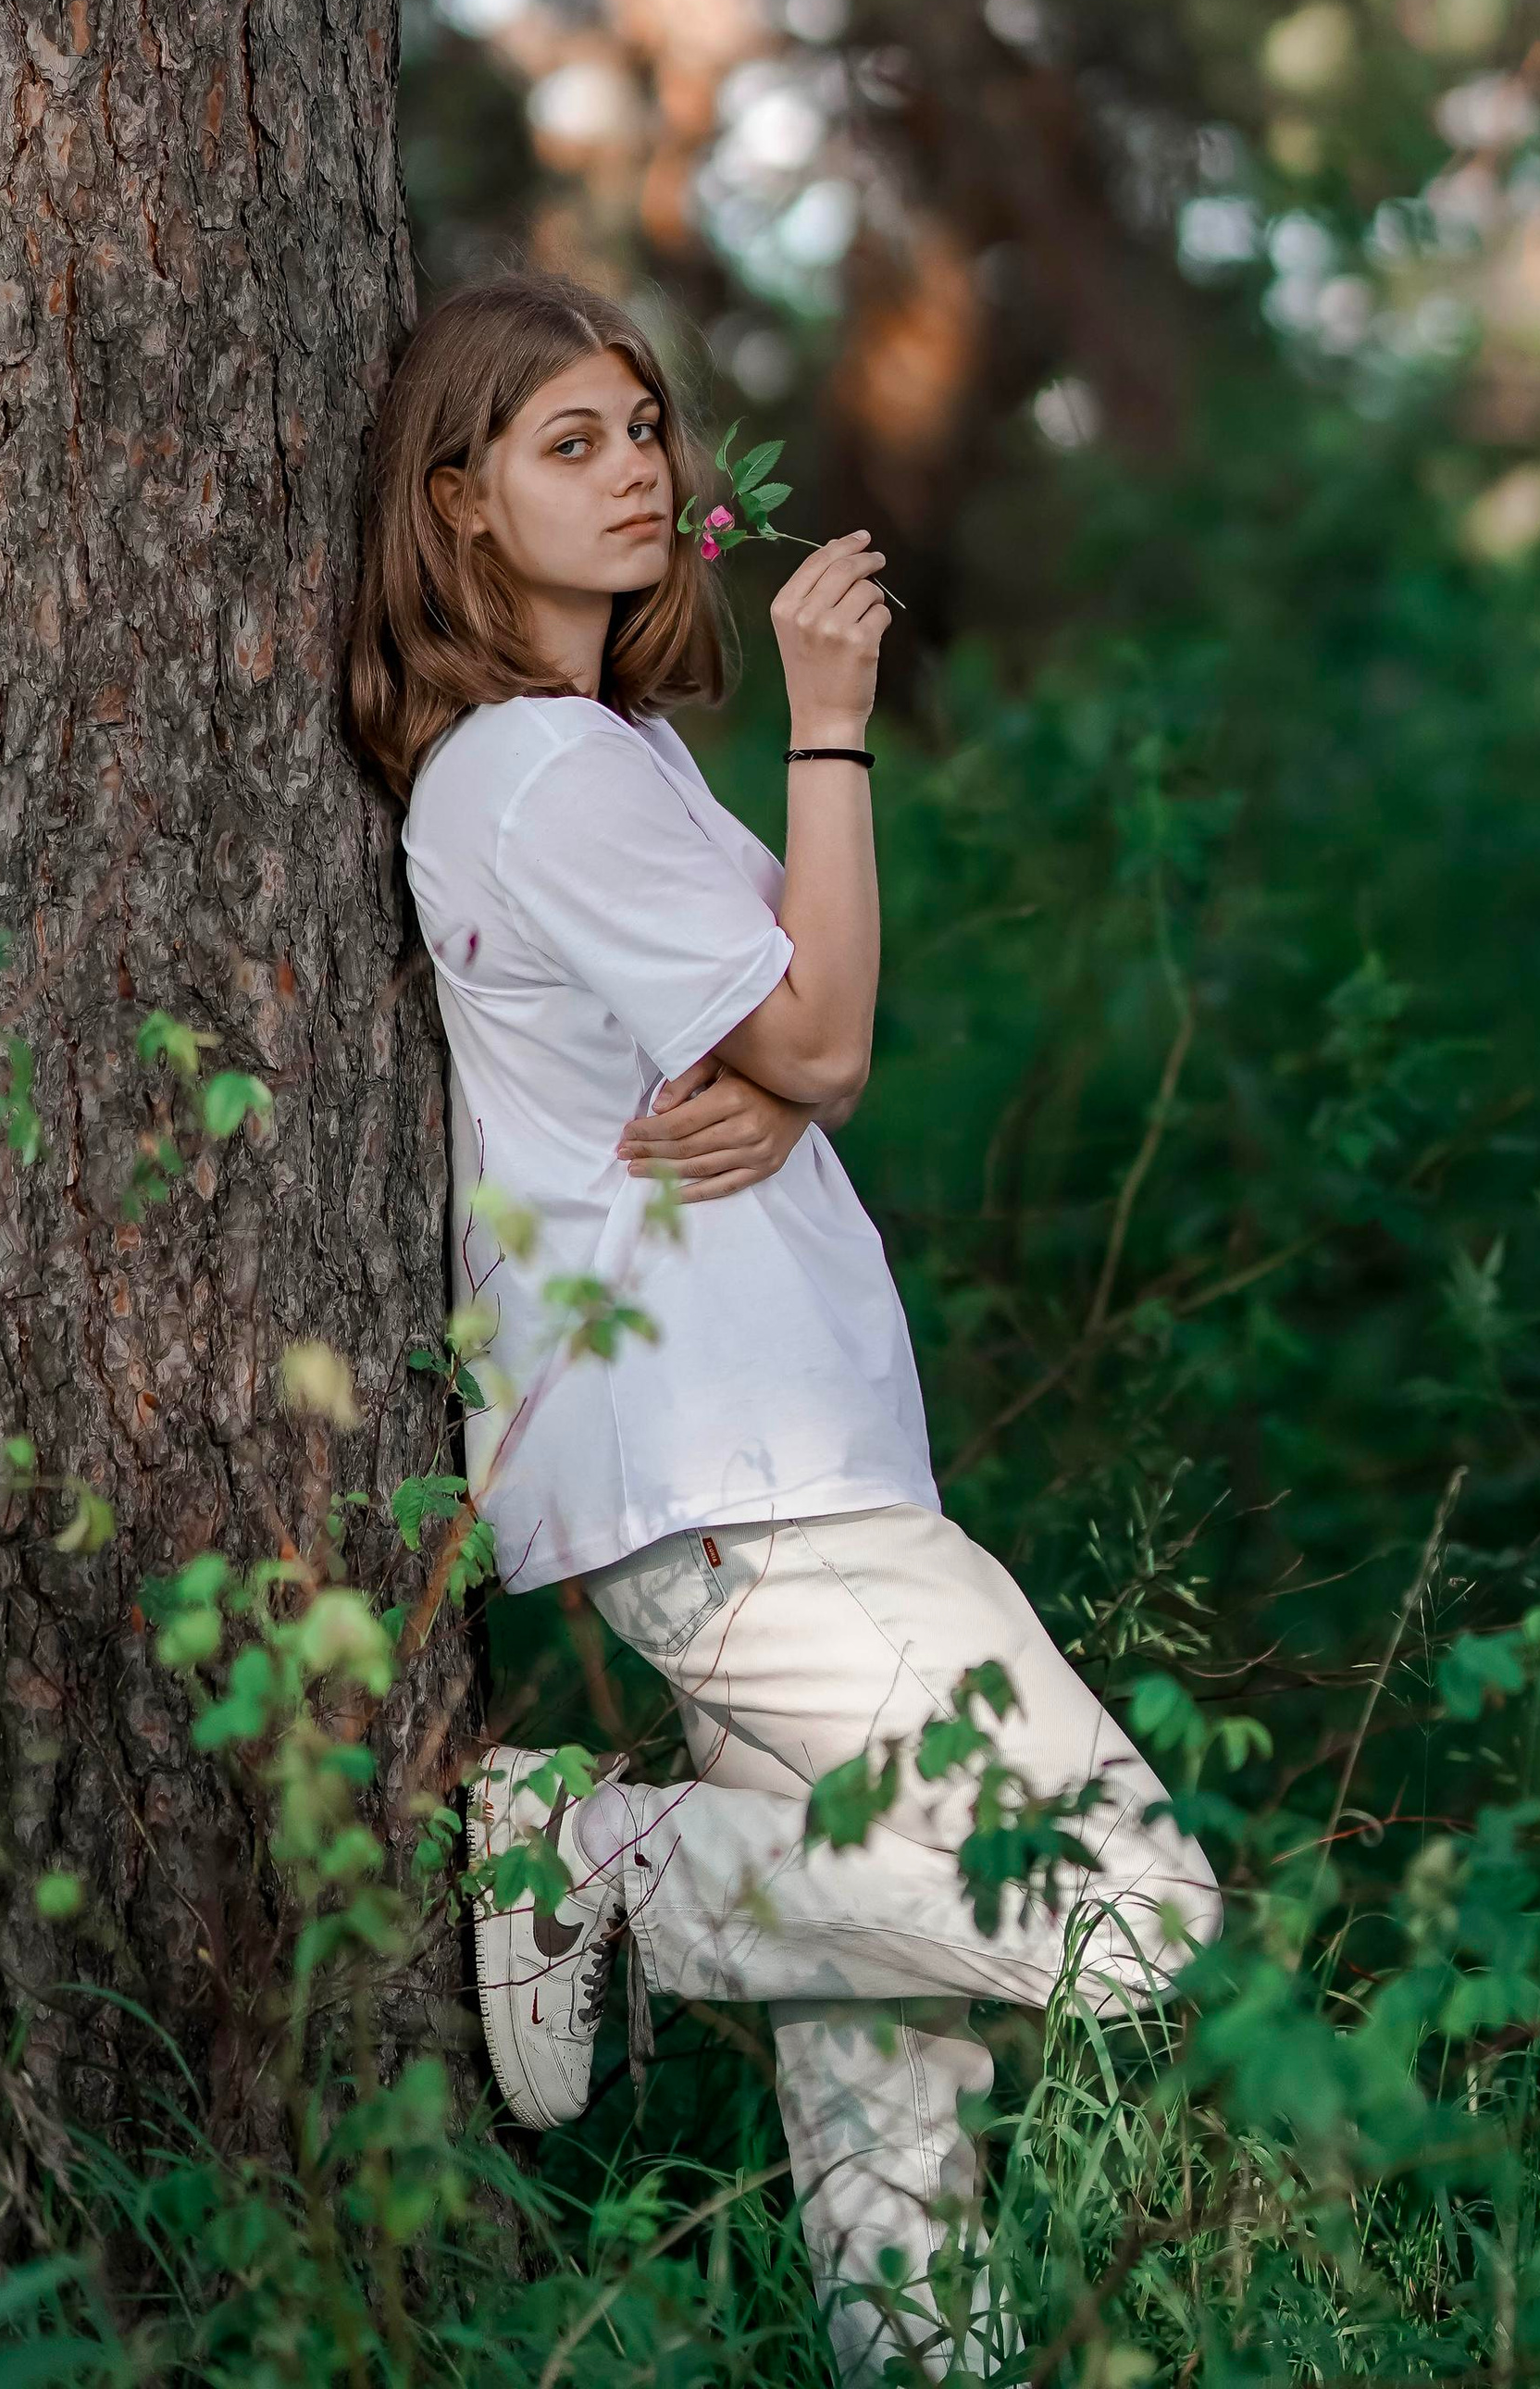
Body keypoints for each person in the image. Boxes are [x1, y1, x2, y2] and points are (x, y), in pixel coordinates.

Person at [346, 268, 1221, 2377]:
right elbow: (822, 1028)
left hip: (771, 1454)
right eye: (571, 445)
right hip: (740, 1482)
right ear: (456, 503)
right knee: (1127, 1913)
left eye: (641, 430)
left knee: (885, 2075)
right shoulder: (538, 770)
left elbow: (799, 1035)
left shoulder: (613, 756)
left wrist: (786, 1059)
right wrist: (829, 721)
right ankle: (614, 1862)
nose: (635, 469)